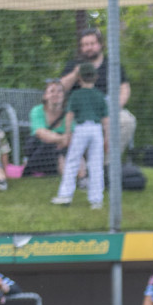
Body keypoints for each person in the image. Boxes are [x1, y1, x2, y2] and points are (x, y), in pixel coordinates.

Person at [58, 27, 134, 157]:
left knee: (127, 121)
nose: (89, 48)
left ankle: (108, 163)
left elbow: (125, 88)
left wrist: (116, 106)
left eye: (92, 44)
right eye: (85, 45)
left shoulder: (113, 64)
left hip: (106, 108)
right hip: (80, 112)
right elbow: (61, 87)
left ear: (100, 44)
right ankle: (86, 166)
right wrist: (76, 73)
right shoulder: (74, 64)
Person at [52, 62, 106, 208]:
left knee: (72, 161)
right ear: (95, 77)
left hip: (81, 129)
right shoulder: (100, 95)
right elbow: (105, 119)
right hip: (96, 129)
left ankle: (65, 195)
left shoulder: (76, 95)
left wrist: (68, 133)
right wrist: (106, 136)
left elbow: (69, 115)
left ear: (79, 78)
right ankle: (96, 200)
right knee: (96, 164)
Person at [23, 78, 69, 177]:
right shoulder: (37, 111)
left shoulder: (69, 113)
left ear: (64, 95)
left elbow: (73, 134)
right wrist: (61, 139)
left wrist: (64, 140)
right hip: (41, 152)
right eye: (52, 91)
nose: (56, 94)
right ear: (45, 96)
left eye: (59, 91)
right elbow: (41, 133)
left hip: (63, 148)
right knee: (54, 147)